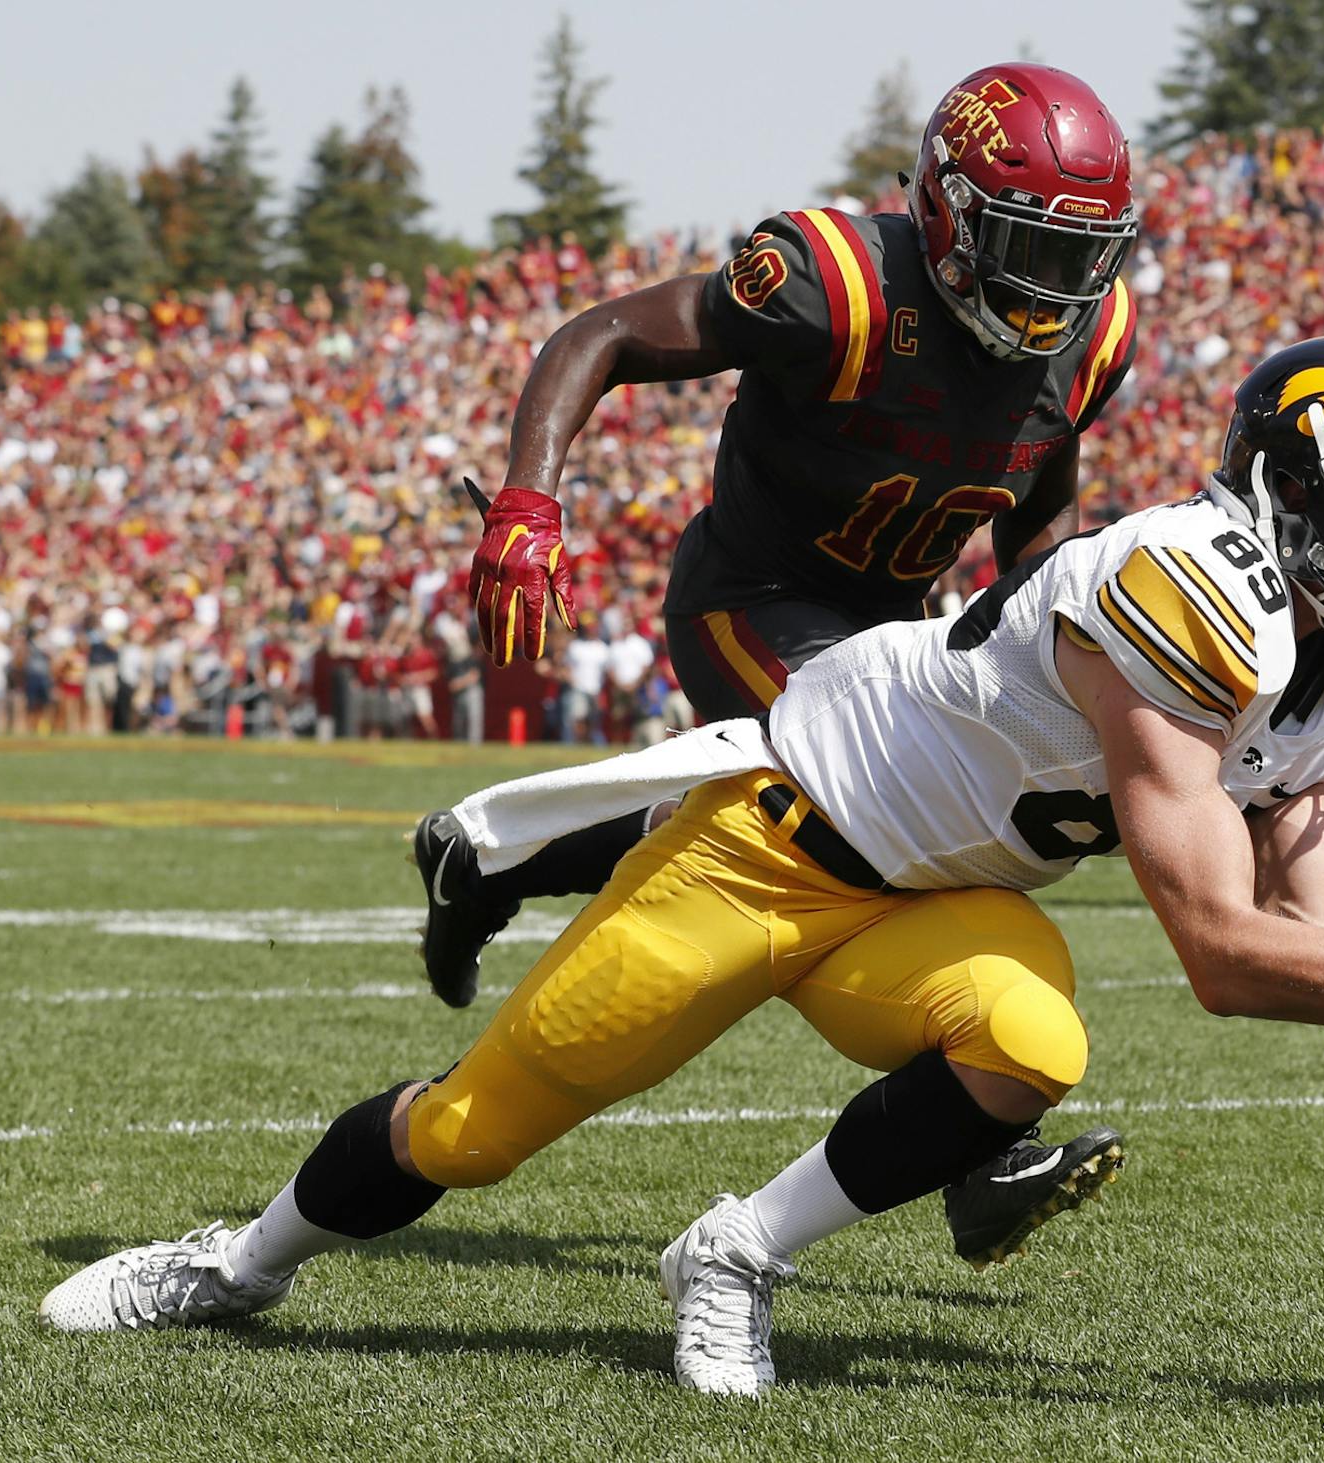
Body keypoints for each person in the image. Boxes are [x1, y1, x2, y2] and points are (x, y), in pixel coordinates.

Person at [40, 337, 1324, 1399]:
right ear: (1298, 493)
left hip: (932, 897)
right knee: (471, 1132)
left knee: (1030, 1040)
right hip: (773, 844)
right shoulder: (1189, 585)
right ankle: (237, 1262)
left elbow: (1305, 924)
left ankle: (732, 1253)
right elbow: (1217, 946)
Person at [412, 63, 1143, 1267]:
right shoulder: (834, 282)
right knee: (875, 817)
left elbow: (1039, 488)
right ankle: (981, 1150)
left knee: (846, 810)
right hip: (753, 596)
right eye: (1030, 248)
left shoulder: (1095, 334)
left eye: (1082, 256)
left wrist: (1046, 628)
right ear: (951, 215)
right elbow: (600, 333)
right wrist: (531, 500)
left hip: (898, 625)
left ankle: (492, 856)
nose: (1056, 287)